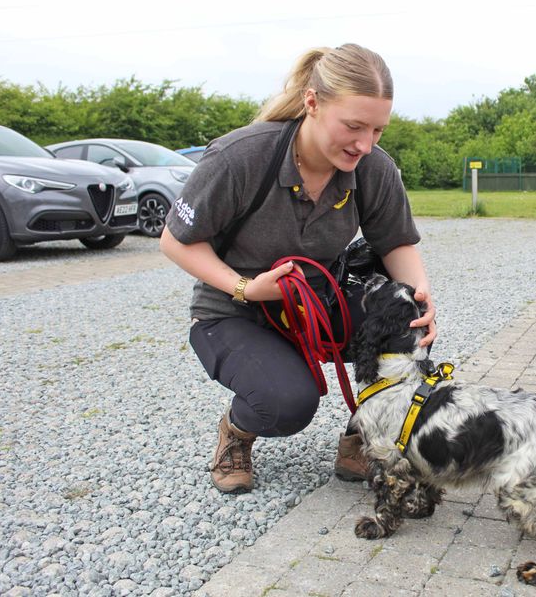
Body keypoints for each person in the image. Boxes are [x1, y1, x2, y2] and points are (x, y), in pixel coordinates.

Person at [159, 44, 436, 493]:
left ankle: (363, 436)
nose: (365, 144)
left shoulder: (372, 168)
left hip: (314, 304)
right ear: (312, 103)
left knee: (405, 321)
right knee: (287, 403)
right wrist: (246, 287)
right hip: (235, 309)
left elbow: (397, 243)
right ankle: (237, 431)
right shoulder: (241, 157)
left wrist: (421, 298)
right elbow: (175, 241)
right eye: (353, 126)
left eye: (378, 130)